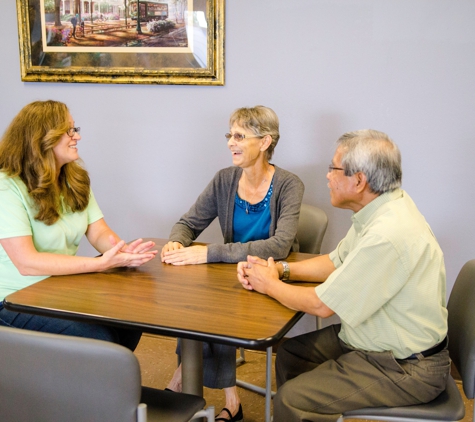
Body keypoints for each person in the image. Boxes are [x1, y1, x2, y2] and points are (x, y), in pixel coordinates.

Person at [237, 129, 449, 422]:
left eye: (332, 169)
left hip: (405, 367)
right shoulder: (382, 208)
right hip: (376, 343)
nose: (327, 177)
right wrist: (281, 270)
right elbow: (336, 261)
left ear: (359, 180)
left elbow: (321, 305)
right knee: (292, 354)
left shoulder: (387, 234)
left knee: (291, 399)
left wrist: (269, 284)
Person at [161, 105, 304, 421]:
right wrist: (177, 240)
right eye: (230, 135)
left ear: (265, 142)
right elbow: (188, 222)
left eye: (240, 136)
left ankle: (186, 382)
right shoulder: (224, 180)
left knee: (218, 309)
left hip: (270, 276)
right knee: (195, 304)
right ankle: (230, 400)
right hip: (231, 274)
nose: (230, 142)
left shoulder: (289, 184)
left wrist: (209, 253)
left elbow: (279, 246)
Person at [0, 100, 157, 352]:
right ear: (43, 138)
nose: (77, 136)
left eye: (75, 129)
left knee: (130, 316)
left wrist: (120, 250)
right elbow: (26, 263)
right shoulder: (6, 186)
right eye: (69, 131)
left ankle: (101, 386)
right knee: (99, 341)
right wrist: (100, 263)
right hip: (13, 300)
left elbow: (98, 231)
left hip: (59, 287)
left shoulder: (75, 179)